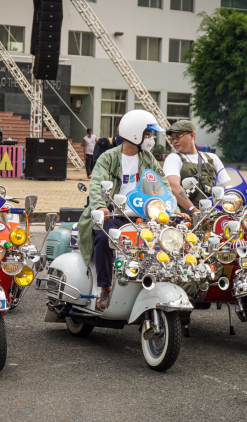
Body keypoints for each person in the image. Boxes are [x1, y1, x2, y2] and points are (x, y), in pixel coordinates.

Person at [77, 110, 181, 310]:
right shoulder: (108, 158)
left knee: (166, 239)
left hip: (143, 213)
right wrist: (100, 205)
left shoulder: (148, 159)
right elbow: (97, 182)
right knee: (103, 238)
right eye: (148, 134)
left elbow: (164, 186)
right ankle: (105, 287)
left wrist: (172, 209)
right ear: (135, 133)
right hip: (114, 212)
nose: (150, 139)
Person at [163, 120, 230, 214]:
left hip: (216, 213)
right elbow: (173, 186)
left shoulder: (212, 158)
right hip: (189, 217)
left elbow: (228, 187)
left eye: (178, 136)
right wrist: (193, 211)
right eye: (172, 138)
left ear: (192, 135)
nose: (174, 141)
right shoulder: (174, 158)